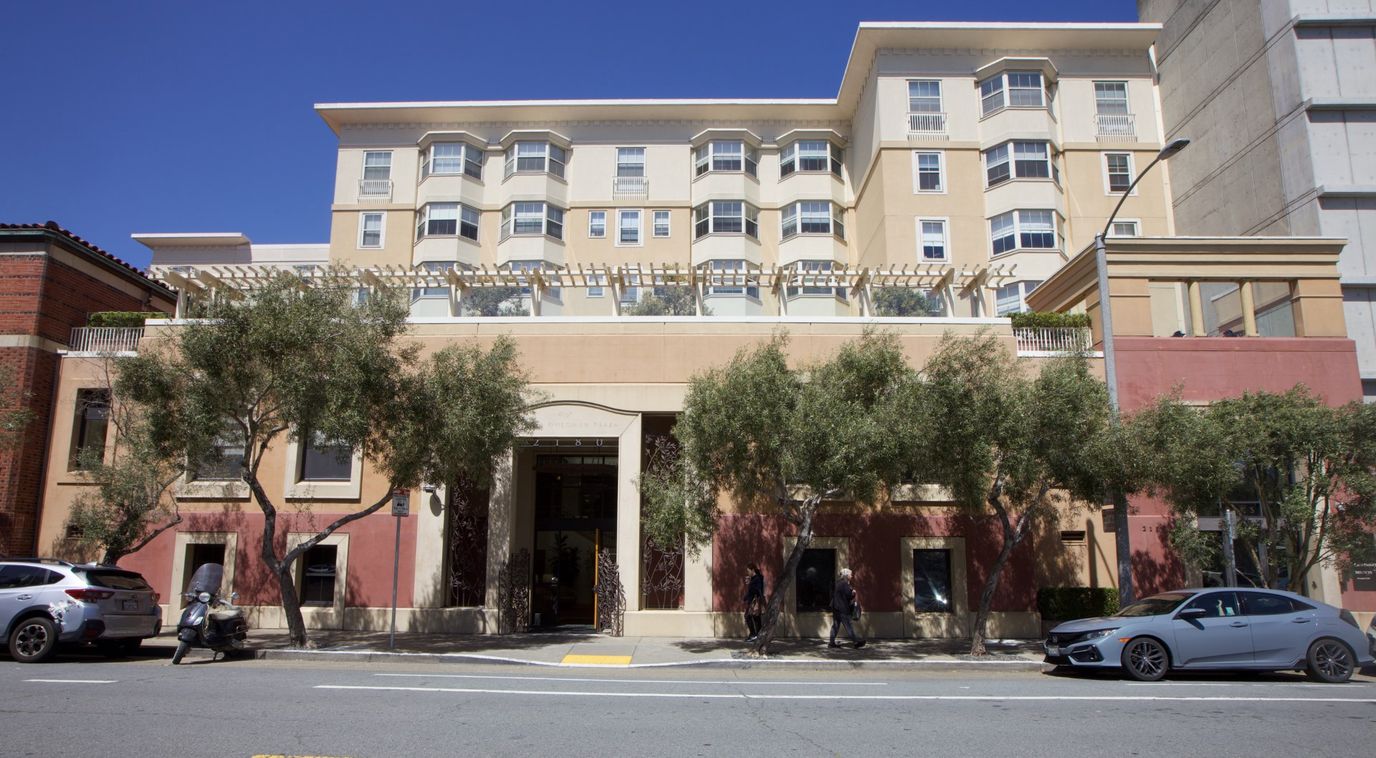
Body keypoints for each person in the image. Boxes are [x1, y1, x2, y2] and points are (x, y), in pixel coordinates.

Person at [829, 567, 866, 649]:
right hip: (842, 608)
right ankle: (856, 642)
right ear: (846, 575)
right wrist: (853, 593)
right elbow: (849, 595)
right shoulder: (844, 584)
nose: (851, 576)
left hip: (836, 608)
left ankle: (831, 643)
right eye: (850, 574)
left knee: (835, 626)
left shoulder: (839, 583)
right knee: (848, 625)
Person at [743, 564, 765, 641]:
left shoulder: (757, 579)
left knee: (749, 616)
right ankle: (758, 635)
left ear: (752, 570)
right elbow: (751, 591)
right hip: (752, 600)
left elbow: (758, 589)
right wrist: (746, 597)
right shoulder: (753, 579)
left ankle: (754, 634)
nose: (748, 573)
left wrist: (750, 583)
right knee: (755, 617)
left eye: (748, 571)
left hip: (755, 601)